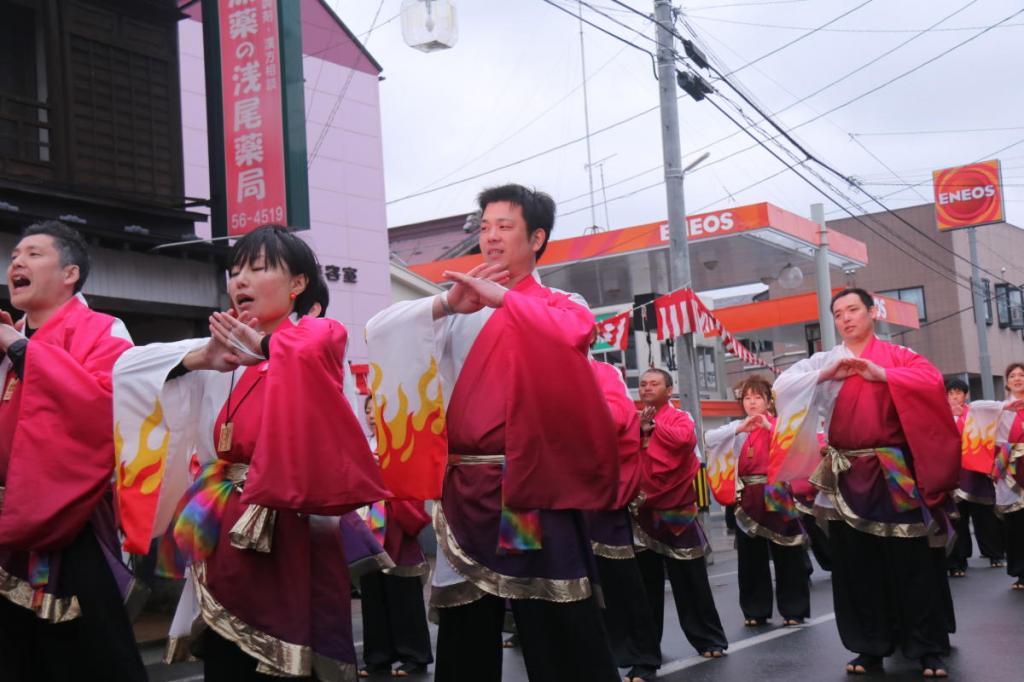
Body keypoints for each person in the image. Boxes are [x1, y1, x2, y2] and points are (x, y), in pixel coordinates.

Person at [366, 184, 621, 682]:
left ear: (537, 237)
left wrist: (502, 299)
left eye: (505, 226)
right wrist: (442, 306)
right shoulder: (459, 308)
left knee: (544, 612)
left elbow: (573, 333)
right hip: (464, 491)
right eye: (484, 227)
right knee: (465, 618)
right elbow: (380, 330)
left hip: (524, 489)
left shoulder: (560, 302)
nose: (491, 237)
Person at [114, 225, 389, 680]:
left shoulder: (318, 335)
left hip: (287, 522)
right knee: (224, 651)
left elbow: (300, 355)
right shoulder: (218, 349)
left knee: (288, 651)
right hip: (221, 522)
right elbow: (128, 366)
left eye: (258, 269)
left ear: (298, 284)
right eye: (234, 270)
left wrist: (257, 347)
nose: (239, 280)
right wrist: (203, 357)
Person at [770, 288, 960, 678]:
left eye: (853, 309)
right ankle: (869, 646)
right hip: (846, 473)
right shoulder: (827, 360)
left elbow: (931, 381)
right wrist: (826, 374)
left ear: (873, 312)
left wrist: (883, 375)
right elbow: (783, 387)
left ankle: (925, 647)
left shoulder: (899, 356)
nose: (846, 318)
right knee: (856, 565)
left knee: (911, 562)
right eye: (838, 313)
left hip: (892, 471)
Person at [0, 221, 144, 681]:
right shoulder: (6, 338)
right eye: (15, 255)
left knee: (88, 657)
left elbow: (106, 406)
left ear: (70, 274)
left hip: (71, 516)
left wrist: (22, 350)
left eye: (34, 254)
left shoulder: (105, 330)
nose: (17, 262)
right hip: (6, 521)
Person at [633, 368, 728, 659]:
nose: (647, 388)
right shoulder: (633, 420)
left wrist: (654, 429)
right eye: (643, 384)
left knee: (690, 579)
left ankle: (708, 640)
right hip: (642, 512)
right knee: (644, 587)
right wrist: (638, 431)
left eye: (654, 383)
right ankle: (647, 649)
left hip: (676, 511)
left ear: (669, 389)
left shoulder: (679, 417)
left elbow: (684, 441)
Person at [705, 375, 809, 627]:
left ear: (768, 401)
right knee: (750, 557)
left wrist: (769, 427)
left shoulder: (780, 425)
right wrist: (739, 428)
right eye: (747, 398)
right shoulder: (737, 429)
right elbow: (708, 438)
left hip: (777, 492)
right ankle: (755, 610)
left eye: (757, 398)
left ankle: (793, 610)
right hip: (747, 495)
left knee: (787, 552)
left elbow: (798, 446)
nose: (751, 403)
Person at [587, 355, 661, 682]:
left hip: (601, 489)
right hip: (552, 492)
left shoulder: (603, 373)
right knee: (565, 583)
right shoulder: (534, 370)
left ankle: (642, 654)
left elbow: (618, 417)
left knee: (620, 577)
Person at [359, 396, 434, 678]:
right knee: (372, 594)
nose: (371, 416)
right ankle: (377, 657)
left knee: (403, 593)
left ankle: (414, 655)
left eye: (375, 411)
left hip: (395, 526)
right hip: (368, 526)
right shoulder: (362, 447)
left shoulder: (402, 445)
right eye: (367, 411)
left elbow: (413, 487)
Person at [957, 363, 1024, 592]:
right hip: (1010, 470)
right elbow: (974, 407)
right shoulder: (998, 408)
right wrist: (1007, 405)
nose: (1017, 378)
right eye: (1012, 375)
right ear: (1006, 382)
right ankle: (1021, 572)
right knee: (1015, 522)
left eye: (1021, 375)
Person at [945, 377, 1005, 577]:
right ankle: (959, 560)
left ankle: (995, 554)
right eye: (951, 393)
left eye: (959, 393)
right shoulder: (942, 415)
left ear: (966, 395)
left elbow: (990, 436)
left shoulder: (976, 413)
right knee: (957, 519)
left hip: (977, 472)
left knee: (985, 515)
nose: (955, 397)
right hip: (954, 474)